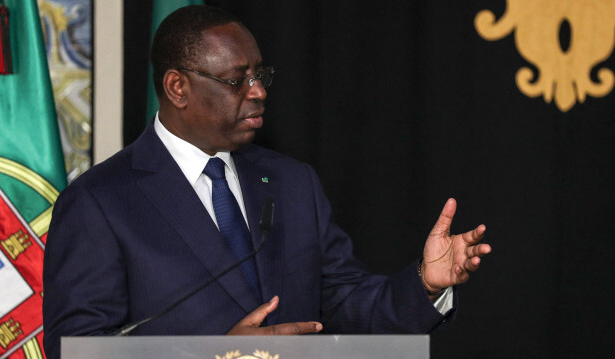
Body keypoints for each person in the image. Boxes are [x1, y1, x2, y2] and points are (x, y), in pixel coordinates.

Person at [42, 5, 491, 359]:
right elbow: (76, 349)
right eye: (238, 80)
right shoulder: (99, 202)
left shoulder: (292, 183)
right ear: (178, 88)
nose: (258, 91)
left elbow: (342, 303)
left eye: (261, 75)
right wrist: (217, 356)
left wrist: (424, 283)